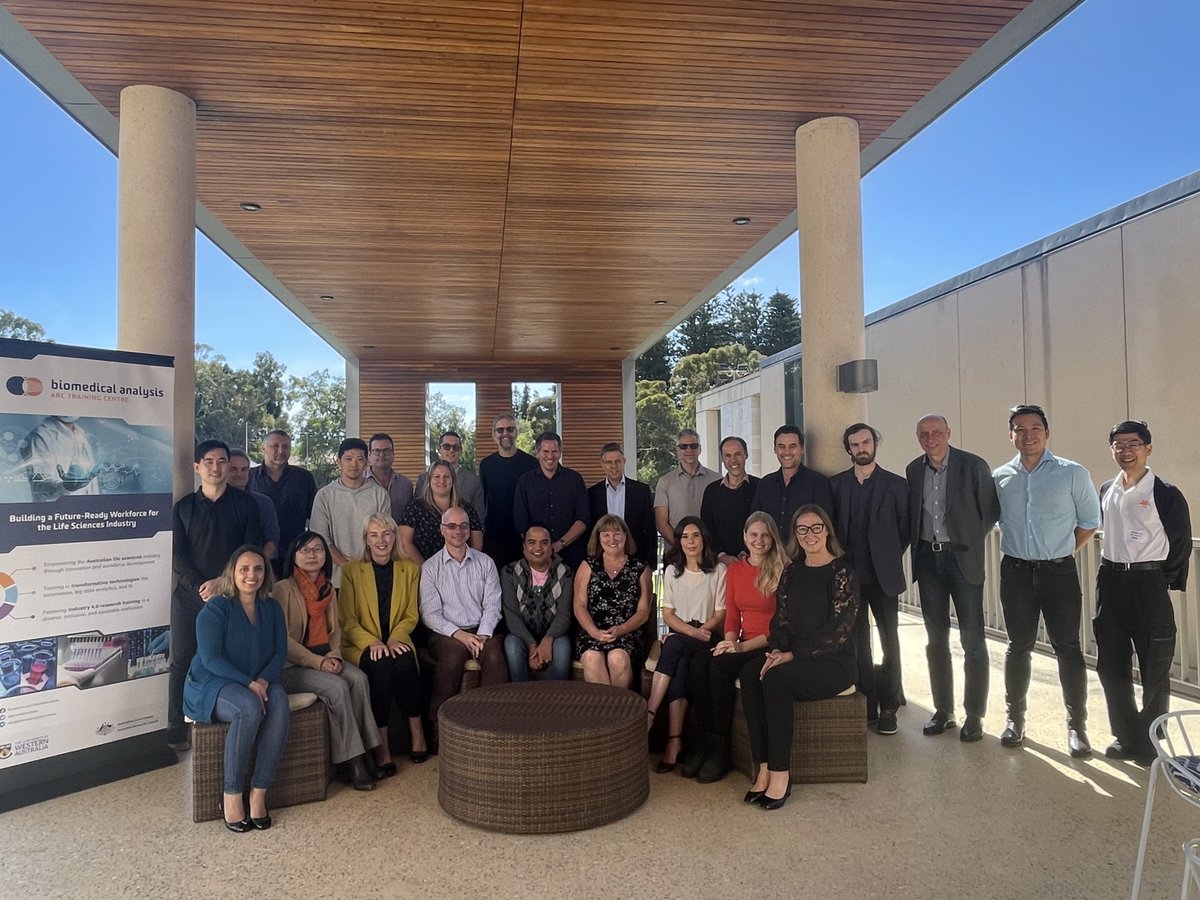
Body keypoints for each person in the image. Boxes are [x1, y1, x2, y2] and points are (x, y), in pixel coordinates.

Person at [993, 404, 1101, 757]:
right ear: (1010, 434)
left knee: (1067, 648)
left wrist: (1064, 550)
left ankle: (1077, 727)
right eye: (1020, 428)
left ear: (1047, 432)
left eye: (1035, 427)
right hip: (1016, 572)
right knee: (1018, 645)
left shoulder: (1073, 473)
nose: (1028, 434)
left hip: (1059, 572)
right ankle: (1015, 720)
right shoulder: (1000, 477)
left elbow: (1088, 521)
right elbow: (994, 518)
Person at [740, 505, 859, 811]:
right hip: (795, 656)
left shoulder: (842, 572)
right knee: (753, 673)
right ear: (795, 534)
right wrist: (777, 651)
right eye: (802, 529)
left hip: (834, 663)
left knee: (777, 679)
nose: (810, 535)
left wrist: (792, 655)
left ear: (827, 530)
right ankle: (763, 765)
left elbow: (839, 632)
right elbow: (781, 621)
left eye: (816, 527)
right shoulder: (792, 571)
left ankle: (781, 774)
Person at [1096, 420, 1190, 764]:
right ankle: (1124, 735)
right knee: (1111, 662)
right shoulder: (1107, 488)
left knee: (1155, 663)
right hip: (1111, 581)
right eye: (1119, 445)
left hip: (1149, 582)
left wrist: (1160, 580)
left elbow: (1180, 543)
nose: (1126, 451)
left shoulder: (1165, 492)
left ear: (1148, 449)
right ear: (1112, 450)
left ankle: (1150, 739)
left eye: (1133, 444)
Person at [905, 414, 1000, 743]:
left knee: (973, 640)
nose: (930, 438)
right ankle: (943, 710)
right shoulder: (913, 470)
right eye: (924, 434)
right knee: (936, 640)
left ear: (948, 433)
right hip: (928, 561)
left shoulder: (973, 466)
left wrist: (965, 541)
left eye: (936, 432)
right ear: (918, 437)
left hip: (962, 561)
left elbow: (989, 513)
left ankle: (974, 714)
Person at [182, 545, 288, 832]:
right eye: (244, 569)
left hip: (257, 678)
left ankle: (259, 792)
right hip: (211, 682)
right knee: (249, 708)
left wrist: (263, 680)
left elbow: (280, 652)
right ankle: (231, 795)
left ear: (265, 574)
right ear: (232, 573)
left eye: (258, 569)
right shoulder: (216, 608)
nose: (251, 575)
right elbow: (211, 659)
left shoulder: (272, 607)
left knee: (279, 700)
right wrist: (249, 683)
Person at [170, 439, 264, 751]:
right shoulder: (183, 508)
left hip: (233, 597)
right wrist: (202, 585)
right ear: (197, 467)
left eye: (222, 461)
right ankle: (177, 726)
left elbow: (250, 550)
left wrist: (223, 584)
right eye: (209, 461)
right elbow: (177, 556)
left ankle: (229, 718)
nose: (216, 467)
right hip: (189, 597)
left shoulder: (245, 504)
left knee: (229, 659)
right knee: (183, 659)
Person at [274, 530, 384, 791]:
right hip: (290, 667)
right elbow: (283, 641)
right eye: (306, 550)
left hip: (325, 657)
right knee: (337, 687)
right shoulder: (282, 590)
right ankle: (352, 761)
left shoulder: (328, 589)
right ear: (294, 556)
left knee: (359, 679)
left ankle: (369, 751)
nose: (313, 555)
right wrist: (318, 662)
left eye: (318, 550)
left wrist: (333, 656)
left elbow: (335, 632)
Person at [829, 423, 909, 734]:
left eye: (866, 442)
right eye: (855, 444)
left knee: (890, 640)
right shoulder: (837, 486)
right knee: (858, 641)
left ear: (875, 443)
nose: (862, 448)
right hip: (850, 578)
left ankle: (890, 705)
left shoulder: (897, 485)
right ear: (848, 449)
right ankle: (868, 702)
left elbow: (904, 532)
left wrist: (887, 556)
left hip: (884, 577)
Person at [695, 510, 786, 783]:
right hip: (743, 640)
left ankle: (722, 752)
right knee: (701, 662)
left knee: (720, 666)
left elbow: (781, 624)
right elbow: (732, 614)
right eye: (754, 534)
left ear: (772, 538)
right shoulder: (735, 570)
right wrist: (729, 640)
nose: (759, 540)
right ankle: (705, 743)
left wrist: (741, 649)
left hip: (769, 644)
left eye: (765, 535)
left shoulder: (783, 568)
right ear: (745, 537)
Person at [338, 514, 428, 773]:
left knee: (406, 662)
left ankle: (417, 733)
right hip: (362, 643)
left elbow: (411, 614)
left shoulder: (409, 569)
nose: (381, 540)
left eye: (387, 534)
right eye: (374, 535)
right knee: (382, 667)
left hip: (397, 638)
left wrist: (395, 638)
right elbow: (347, 619)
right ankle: (382, 747)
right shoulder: (352, 571)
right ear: (366, 540)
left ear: (394, 537)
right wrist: (374, 642)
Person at [646, 517, 726, 774]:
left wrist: (698, 631)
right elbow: (668, 614)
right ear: (678, 541)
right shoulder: (671, 571)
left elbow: (720, 613)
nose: (690, 542)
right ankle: (675, 742)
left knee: (673, 647)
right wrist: (689, 631)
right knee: (678, 661)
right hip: (684, 633)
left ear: (704, 539)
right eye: (684, 537)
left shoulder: (719, 570)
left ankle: (650, 712)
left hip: (708, 636)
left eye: (695, 536)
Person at [420, 507, 507, 722]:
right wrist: (460, 635)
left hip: (481, 630)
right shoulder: (430, 567)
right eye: (451, 526)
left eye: (463, 526)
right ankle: (438, 727)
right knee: (453, 655)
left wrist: (483, 634)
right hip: (446, 635)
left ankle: (492, 724)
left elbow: (493, 605)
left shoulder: (485, 562)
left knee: (495, 654)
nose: (457, 531)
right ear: (442, 530)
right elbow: (430, 614)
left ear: (469, 530)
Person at [574, 514, 651, 689]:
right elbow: (579, 606)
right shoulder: (588, 565)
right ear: (598, 538)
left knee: (618, 658)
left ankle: (619, 710)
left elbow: (643, 611)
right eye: (606, 534)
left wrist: (621, 629)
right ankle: (607, 713)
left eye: (617, 533)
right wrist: (594, 632)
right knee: (592, 658)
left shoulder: (641, 568)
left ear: (625, 536)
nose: (612, 539)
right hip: (592, 630)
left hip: (627, 632)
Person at [310, 438, 390, 588]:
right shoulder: (325, 495)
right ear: (339, 461)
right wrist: (343, 563)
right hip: (335, 579)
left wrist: (365, 564)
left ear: (367, 462)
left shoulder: (380, 494)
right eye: (348, 459)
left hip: (371, 576)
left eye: (360, 459)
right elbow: (320, 537)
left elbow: (384, 535)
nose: (354, 464)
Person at [501, 524, 574, 682]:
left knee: (563, 650)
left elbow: (564, 615)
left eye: (544, 542)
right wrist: (532, 645)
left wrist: (548, 640)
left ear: (551, 546)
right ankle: (521, 698)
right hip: (521, 635)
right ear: (524, 547)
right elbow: (511, 615)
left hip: (555, 635)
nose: (538, 548)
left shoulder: (566, 573)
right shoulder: (509, 572)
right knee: (511, 646)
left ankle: (554, 701)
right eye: (532, 542)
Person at [513, 431, 590, 569]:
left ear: (560, 453)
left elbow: (583, 519)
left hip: (572, 555)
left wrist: (559, 545)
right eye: (545, 451)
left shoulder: (575, 479)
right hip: (536, 557)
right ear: (537, 453)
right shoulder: (525, 481)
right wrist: (542, 548)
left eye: (554, 451)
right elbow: (520, 521)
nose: (550, 456)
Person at [250, 430, 318, 577]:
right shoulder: (249, 477)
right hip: (257, 557)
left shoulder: (304, 478)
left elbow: (315, 517)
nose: (281, 450)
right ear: (263, 448)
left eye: (286, 446)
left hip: (295, 556)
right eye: (275, 446)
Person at [479, 412, 538, 568]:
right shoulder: (486, 465)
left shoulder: (531, 464)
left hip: (525, 537)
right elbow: (484, 499)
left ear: (516, 432)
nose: (505, 433)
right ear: (494, 435)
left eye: (510, 429)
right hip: (494, 538)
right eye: (500, 430)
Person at [751, 425, 833, 534]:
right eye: (781, 446)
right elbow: (755, 521)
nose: (787, 452)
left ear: (802, 448)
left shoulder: (818, 483)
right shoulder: (765, 484)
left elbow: (825, 525)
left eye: (792, 446)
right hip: (771, 550)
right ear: (775, 449)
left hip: (804, 550)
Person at [589, 441, 657, 569]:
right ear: (602, 464)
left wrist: (651, 562)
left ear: (624, 461)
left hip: (636, 557)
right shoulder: (592, 494)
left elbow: (650, 528)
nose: (614, 466)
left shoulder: (641, 491)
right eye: (609, 462)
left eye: (617, 461)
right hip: (602, 559)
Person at [399, 460, 483, 563]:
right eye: (437, 477)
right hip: (423, 571)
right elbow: (405, 543)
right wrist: (426, 569)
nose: (442, 481)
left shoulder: (466, 509)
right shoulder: (414, 508)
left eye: (446, 477)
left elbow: (476, 544)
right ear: (429, 480)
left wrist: (468, 567)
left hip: (461, 572)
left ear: (453, 480)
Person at [654, 428, 720, 550]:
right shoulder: (665, 482)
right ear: (677, 450)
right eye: (683, 446)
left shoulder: (717, 480)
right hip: (675, 554)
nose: (689, 450)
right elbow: (661, 524)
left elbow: (721, 519)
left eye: (693, 446)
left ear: (700, 449)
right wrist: (682, 547)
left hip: (710, 552)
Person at [701, 435, 760, 565]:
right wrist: (722, 555)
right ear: (722, 459)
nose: (733, 460)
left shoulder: (760, 487)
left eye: (738, 454)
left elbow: (765, 524)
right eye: (727, 455)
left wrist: (748, 552)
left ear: (746, 455)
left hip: (754, 561)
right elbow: (706, 528)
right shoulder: (712, 491)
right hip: (719, 564)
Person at [22, 415, 99, 500]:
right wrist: (66, 487)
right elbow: (39, 486)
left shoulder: (81, 434)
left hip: (88, 511)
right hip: (58, 511)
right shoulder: (40, 436)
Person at [415, 431, 486, 518]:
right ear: (439, 449)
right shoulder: (423, 479)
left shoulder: (473, 481)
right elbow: (417, 512)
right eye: (446, 446)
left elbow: (479, 516)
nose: (451, 450)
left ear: (460, 451)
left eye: (455, 447)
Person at [228, 448, 279, 562]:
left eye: (244, 469)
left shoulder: (264, 503)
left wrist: (257, 564)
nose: (239, 474)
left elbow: (272, 540)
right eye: (233, 469)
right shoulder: (215, 502)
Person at [365, 433, 415, 523]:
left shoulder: (405, 484)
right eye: (377, 451)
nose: (382, 455)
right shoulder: (361, 482)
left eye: (386, 450)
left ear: (393, 454)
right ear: (369, 455)